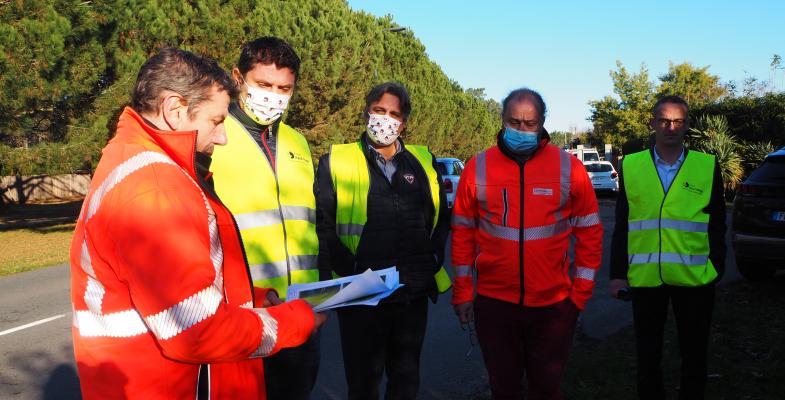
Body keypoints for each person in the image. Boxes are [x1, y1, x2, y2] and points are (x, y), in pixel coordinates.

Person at [69, 48, 324, 400]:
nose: (221, 137)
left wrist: (252, 299)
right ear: (175, 110)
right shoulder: (156, 188)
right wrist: (293, 323)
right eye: (216, 121)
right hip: (163, 385)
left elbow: (186, 287)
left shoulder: (137, 159)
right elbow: (197, 331)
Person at [451, 88, 603, 400]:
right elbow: (463, 235)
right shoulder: (477, 168)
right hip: (495, 304)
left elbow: (590, 232)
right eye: (514, 122)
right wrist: (463, 292)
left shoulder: (569, 168)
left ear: (542, 123)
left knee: (546, 388)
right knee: (503, 389)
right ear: (502, 120)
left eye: (529, 123)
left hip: (554, 305)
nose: (521, 130)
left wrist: (580, 294)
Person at [315, 82, 452, 400]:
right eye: (379, 110)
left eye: (394, 113)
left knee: (405, 382)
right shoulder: (337, 160)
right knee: (363, 385)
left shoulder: (422, 161)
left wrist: (432, 260)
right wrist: (347, 272)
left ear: (403, 122)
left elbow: (440, 219)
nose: (385, 119)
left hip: (411, 293)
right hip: (362, 295)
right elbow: (323, 225)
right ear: (366, 112)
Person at [209, 36, 321, 400]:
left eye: (284, 88)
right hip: (244, 313)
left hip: (301, 312)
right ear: (238, 77)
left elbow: (309, 223)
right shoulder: (214, 136)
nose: (274, 95)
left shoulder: (298, 143)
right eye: (264, 85)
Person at [609, 95, 726, 400]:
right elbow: (623, 223)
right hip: (646, 278)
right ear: (652, 124)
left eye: (678, 121)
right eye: (664, 120)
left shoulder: (706, 166)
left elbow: (717, 223)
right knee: (648, 356)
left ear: (687, 125)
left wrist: (717, 267)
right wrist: (617, 274)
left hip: (696, 278)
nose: (670, 127)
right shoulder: (632, 166)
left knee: (695, 354)